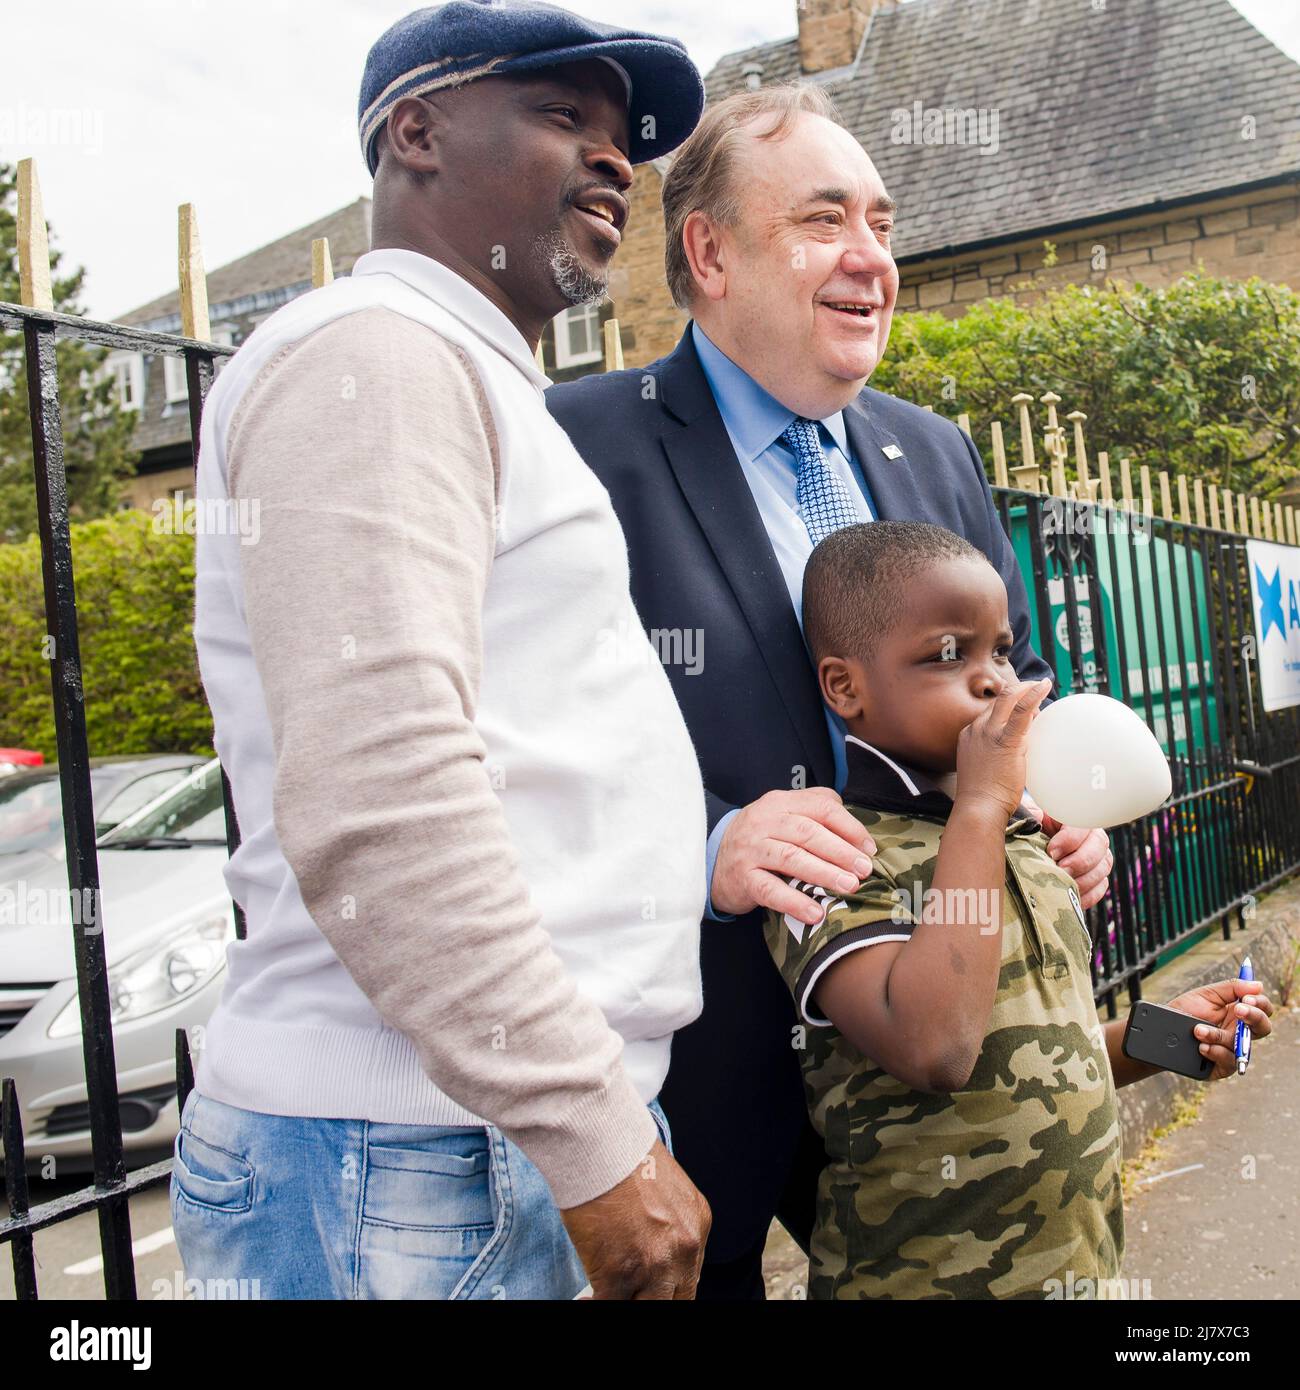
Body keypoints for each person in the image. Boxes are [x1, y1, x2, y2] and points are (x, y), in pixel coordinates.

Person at [174, 2, 712, 1300]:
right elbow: (382, 791)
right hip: (412, 1159)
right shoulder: (378, 357)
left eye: (621, 137)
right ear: (414, 132)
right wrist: (596, 1138)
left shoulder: (462, 378)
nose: (613, 160)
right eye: (560, 115)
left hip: (462, 1151)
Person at [547, 81, 1114, 1298]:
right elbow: (524, 755)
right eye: (823, 222)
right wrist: (707, 849)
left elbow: (1011, 688)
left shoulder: (936, 450)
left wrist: (1042, 815)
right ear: (708, 252)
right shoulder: (577, 447)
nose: (872, 259)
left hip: (942, 1107)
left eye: (883, 223)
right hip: (703, 1080)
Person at [766, 520, 1275, 1298]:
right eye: (948, 655)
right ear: (845, 686)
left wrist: (1169, 1037)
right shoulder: (829, 853)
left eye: (1000, 650)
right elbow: (937, 1048)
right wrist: (980, 805)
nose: (995, 680)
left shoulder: (1027, 839)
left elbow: (1037, 1059)